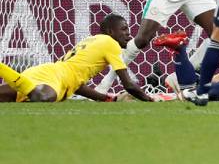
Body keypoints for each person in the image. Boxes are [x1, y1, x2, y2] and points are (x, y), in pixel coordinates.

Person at [0, 13, 153, 103]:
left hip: (43, 73)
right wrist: (149, 99)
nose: (128, 33)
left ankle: (25, 85)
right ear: (110, 31)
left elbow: (77, 86)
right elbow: (128, 85)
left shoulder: (91, 40)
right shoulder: (110, 43)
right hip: (55, 78)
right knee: (43, 98)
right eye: (124, 29)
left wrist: (107, 99)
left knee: (26, 96)